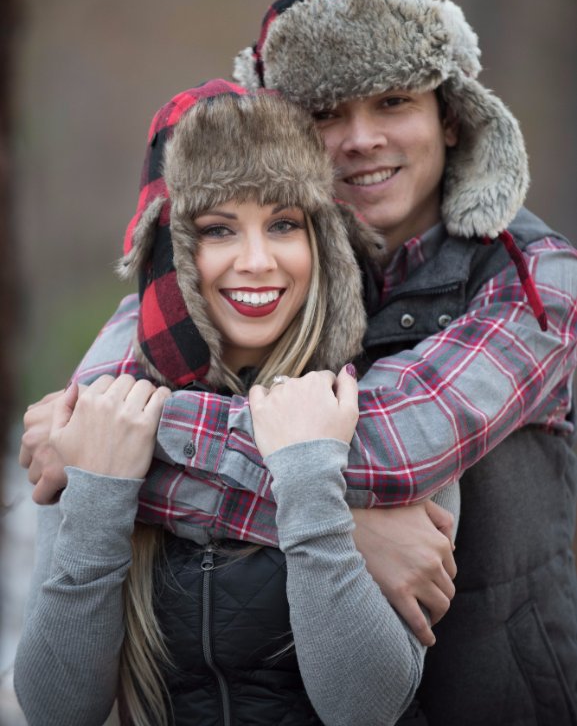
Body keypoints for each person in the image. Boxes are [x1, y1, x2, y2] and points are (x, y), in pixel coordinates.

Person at [20, 0, 577, 723]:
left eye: (392, 101)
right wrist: (353, 529)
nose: (361, 138)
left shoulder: (536, 278)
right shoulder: (245, 284)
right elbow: (108, 406)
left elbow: (388, 452)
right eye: (325, 111)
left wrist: (110, 443)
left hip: (500, 697)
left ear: (450, 116)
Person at [15, 82, 460, 726]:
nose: (257, 261)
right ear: (171, 251)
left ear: (321, 241)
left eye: (283, 224)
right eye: (218, 230)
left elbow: (367, 708)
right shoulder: (107, 411)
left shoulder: (390, 408)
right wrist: (99, 500)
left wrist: (312, 483)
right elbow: (56, 710)